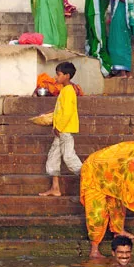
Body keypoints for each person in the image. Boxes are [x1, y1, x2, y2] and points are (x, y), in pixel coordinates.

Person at [80, 137, 134, 258]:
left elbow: (129, 179)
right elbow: (133, 184)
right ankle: (94, 249)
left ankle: (119, 231)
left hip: (109, 175)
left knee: (118, 201)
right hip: (94, 174)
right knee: (97, 212)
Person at [38, 61, 82, 196]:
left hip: (65, 131)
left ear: (67, 76)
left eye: (58, 74)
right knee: (53, 157)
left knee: (69, 158)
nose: (56, 77)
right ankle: (55, 188)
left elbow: (68, 113)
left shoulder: (69, 91)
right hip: (60, 131)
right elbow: (61, 110)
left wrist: (59, 127)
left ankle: (90, 179)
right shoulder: (65, 90)